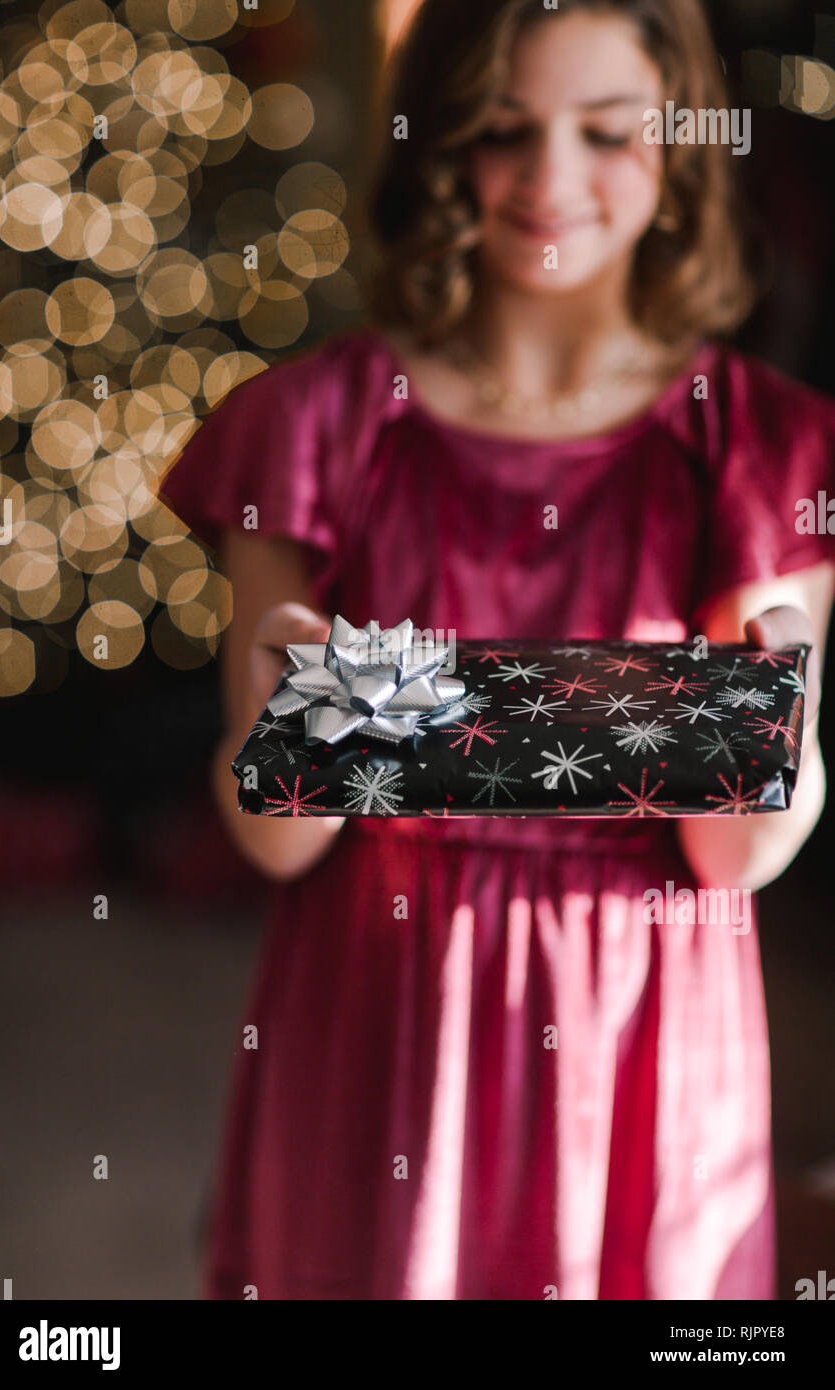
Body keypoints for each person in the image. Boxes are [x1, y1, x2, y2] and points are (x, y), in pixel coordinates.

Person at [159, 0, 835, 1299]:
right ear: (445, 144)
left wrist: (781, 747)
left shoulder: (765, 449)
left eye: (607, 133)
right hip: (380, 1026)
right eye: (505, 131)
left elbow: (729, 849)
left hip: (643, 1042)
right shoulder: (311, 429)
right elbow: (270, 833)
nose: (551, 182)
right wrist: (283, 732)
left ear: (680, 152)